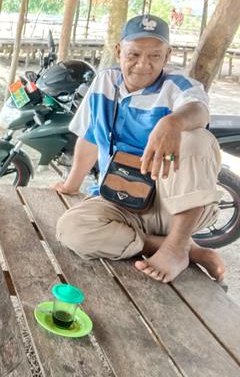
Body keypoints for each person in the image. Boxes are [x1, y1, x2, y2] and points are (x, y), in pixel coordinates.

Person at [53, 14, 225, 283]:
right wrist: (71, 185)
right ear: (118, 51)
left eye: (155, 56)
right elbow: (89, 137)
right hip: (119, 199)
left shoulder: (177, 86)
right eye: (134, 54)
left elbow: (198, 110)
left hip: (171, 206)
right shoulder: (104, 82)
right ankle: (179, 248)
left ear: (167, 56)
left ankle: (176, 246)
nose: (143, 64)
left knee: (195, 138)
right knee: (71, 229)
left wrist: (172, 123)